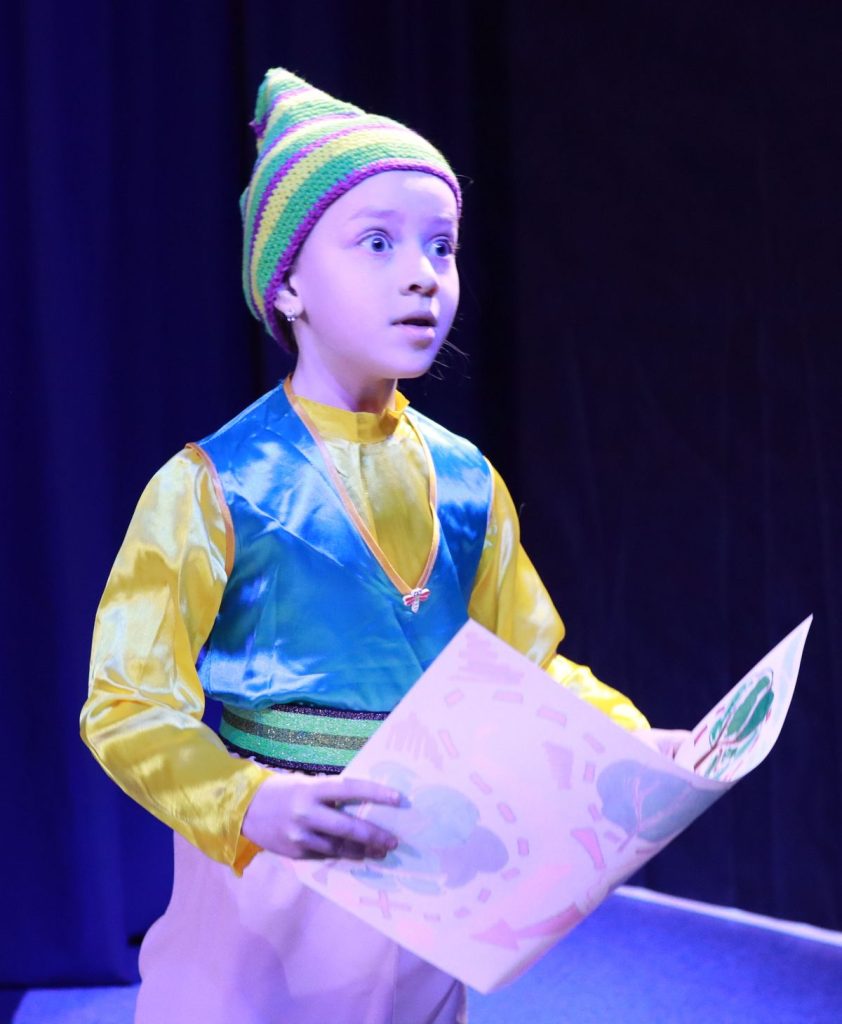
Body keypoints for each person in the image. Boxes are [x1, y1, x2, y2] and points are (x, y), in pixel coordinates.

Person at [81, 67, 673, 1024]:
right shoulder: (218, 484)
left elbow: (525, 666)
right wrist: (247, 802)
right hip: (272, 880)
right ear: (289, 285)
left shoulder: (466, 480)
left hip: (428, 869)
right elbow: (126, 704)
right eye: (378, 242)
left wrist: (634, 743)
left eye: (442, 246)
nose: (422, 274)